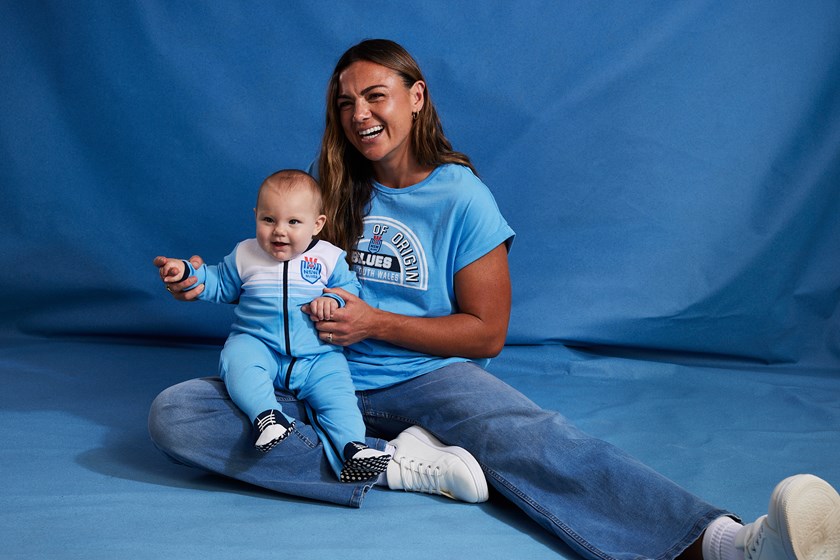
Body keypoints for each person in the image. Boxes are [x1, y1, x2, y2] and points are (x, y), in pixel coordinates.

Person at [149, 39, 840, 560]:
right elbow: (266, 276)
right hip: (311, 374)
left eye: (375, 96)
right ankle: (396, 465)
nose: (359, 114)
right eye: (345, 102)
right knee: (179, 415)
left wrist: (374, 321)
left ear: (416, 97)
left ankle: (732, 546)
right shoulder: (325, 188)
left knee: (537, 440)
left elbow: (485, 334)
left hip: (426, 377)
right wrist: (203, 280)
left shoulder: (464, 198)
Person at [154, 169, 392, 483]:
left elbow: (351, 292)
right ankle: (267, 417)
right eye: (268, 220)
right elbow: (218, 283)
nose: (279, 231)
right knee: (238, 359)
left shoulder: (328, 258)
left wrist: (333, 300)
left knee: (338, 396)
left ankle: (353, 447)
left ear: (317, 224)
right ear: (256, 216)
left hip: (317, 356)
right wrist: (186, 273)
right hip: (259, 344)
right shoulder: (245, 254)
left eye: (293, 222)